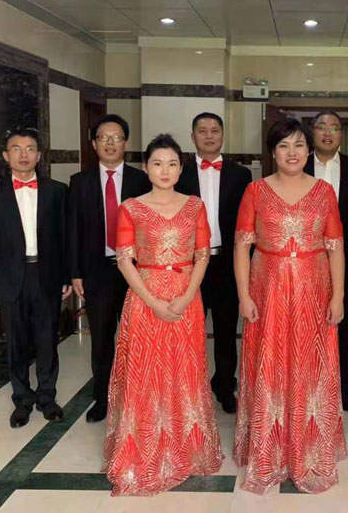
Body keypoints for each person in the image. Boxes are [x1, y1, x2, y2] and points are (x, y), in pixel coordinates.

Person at [233, 118, 346, 494]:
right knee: (269, 362)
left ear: (309, 150)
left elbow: (335, 247)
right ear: (273, 152)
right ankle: (269, 446)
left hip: (314, 288)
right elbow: (242, 246)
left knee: (310, 364)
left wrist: (338, 295)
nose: (292, 152)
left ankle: (309, 444)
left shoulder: (324, 191)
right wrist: (244, 295)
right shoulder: (255, 190)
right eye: (284, 146)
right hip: (267, 288)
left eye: (299, 145)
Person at [105, 134, 222, 495]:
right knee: (145, 372)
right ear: (146, 168)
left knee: (185, 370)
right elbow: (124, 260)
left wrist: (186, 297)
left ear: (181, 169)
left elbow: (202, 254)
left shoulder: (194, 206)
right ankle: (145, 449)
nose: (165, 171)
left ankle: (187, 448)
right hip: (145, 299)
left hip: (186, 297)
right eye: (157, 163)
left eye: (172, 164)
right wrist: (153, 302)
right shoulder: (131, 207)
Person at [0, 127, 71, 428]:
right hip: (9, 279)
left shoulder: (57, 191)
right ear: (6, 156)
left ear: (39, 155)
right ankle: (21, 400)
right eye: (16, 149)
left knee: (47, 340)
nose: (23, 154)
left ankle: (47, 397)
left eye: (30, 148)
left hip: (46, 275)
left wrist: (67, 275)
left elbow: (64, 238)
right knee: (16, 343)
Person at [67, 114, 151, 423]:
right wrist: (75, 272)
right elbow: (72, 230)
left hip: (136, 271)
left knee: (137, 337)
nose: (110, 143)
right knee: (101, 338)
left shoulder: (141, 180)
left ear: (126, 142)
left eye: (116, 137)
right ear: (94, 144)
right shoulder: (80, 182)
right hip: (97, 271)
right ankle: (102, 399)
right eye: (104, 137)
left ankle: (136, 398)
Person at [175, 112, 252, 414]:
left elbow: (247, 222)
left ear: (223, 135)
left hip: (226, 263)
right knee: (188, 330)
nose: (209, 136)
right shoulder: (178, 172)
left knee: (225, 329)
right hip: (189, 263)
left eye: (215, 130)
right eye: (202, 131)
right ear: (192, 136)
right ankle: (189, 388)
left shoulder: (241, 174)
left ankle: (225, 386)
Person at [304, 111, 348, 412]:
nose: (327, 133)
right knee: (307, 327)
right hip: (307, 261)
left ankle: (343, 388)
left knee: (344, 327)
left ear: (341, 134)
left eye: (334, 128)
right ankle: (309, 387)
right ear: (312, 132)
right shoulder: (298, 164)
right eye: (321, 127)